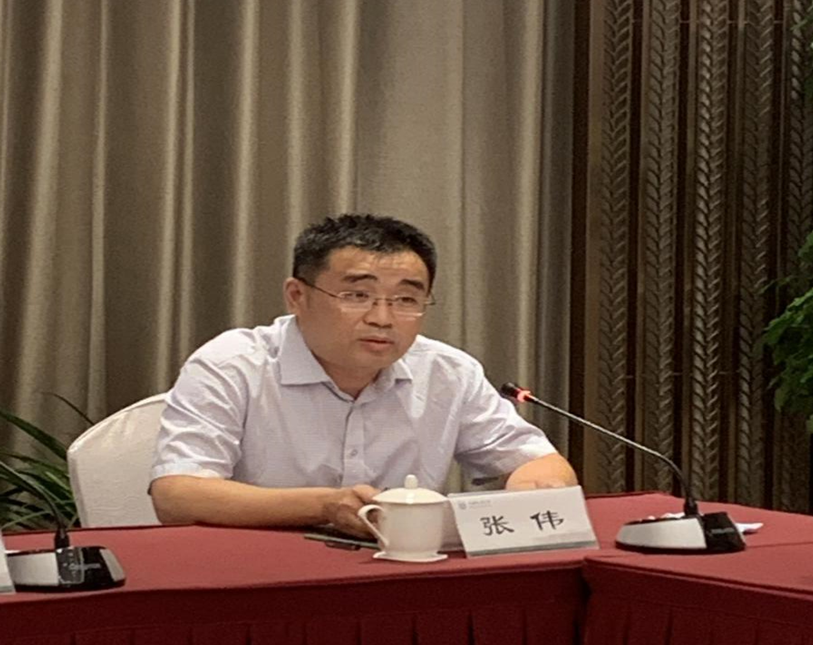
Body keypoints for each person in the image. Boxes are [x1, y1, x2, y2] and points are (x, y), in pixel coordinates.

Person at [150, 214, 577, 536]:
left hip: (404, 578)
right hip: (262, 579)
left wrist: (535, 493)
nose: (382, 318)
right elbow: (179, 495)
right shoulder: (232, 365)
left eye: (406, 300)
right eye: (357, 295)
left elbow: (539, 463)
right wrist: (325, 506)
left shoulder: (448, 372)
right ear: (297, 296)